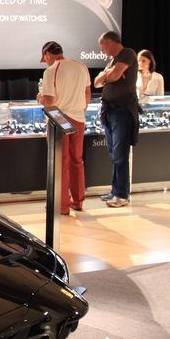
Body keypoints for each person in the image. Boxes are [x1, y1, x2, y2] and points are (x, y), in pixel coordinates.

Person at [36, 41, 91, 215]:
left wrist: (39, 97)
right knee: (77, 160)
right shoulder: (81, 66)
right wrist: (81, 109)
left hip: (59, 116)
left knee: (60, 161)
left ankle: (62, 205)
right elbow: (87, 93)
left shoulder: (51, 70)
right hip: (78, 116)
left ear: (47, 55)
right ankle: (78, 201)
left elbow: (49, 101)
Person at [94, 32, 139, 207]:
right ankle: (115, 190)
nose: (102, 50)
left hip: (122, 111)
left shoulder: (127, 53)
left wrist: (108, 75)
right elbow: (97, 82)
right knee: (114, 153)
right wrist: (109, 74)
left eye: (103, 46)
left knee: (120, 154)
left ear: (110, 42)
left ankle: (121, 194)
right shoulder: (112, 61)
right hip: (110, 110)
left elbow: (111, 77)